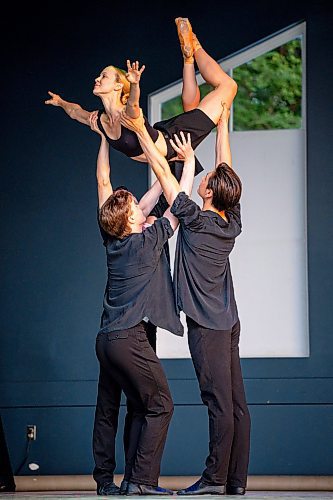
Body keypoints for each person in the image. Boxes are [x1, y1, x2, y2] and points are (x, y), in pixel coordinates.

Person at [122, 103, 251, 496]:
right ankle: (235, 482)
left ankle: (214, 480)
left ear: (208, 191)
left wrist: (142, 133)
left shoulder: (194, 217)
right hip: (227, 322)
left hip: (209, 327)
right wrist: (223, 124)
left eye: (207, 177)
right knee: (236, 405)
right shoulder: (231, 219)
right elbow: (226, 169)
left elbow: (164, 173)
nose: (206, 176)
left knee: (218, 403)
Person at [90, 111, 196, 496]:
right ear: (133, 219)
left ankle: (113, 481)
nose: (139, 203)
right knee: (161, 404)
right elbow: (177, 206)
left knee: (120, 407)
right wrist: (185, 165)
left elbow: (110, 185)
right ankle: (142, 481)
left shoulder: (113, 238)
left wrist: (105, 136)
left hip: (106, 340)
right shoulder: (148, 242)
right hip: (129, 339)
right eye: (135, 205)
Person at [45, 18, 237, 182]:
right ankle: (188, 56)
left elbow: (133, 104)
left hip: (173, 142)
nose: (97, 79)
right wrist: (61, 102)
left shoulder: (128, 114)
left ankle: (194, 48)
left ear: (119, 86)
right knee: (194, 109)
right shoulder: (100, 120)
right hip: (170, 139)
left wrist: (135, 84)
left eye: (103, 76)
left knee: (227, 87)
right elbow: (75, 112)